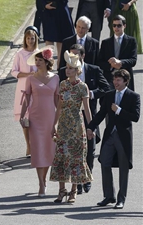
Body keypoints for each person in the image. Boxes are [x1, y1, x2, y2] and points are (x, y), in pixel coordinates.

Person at [59, 44, 110, 194]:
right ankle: (76, 184)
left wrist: (89, 94)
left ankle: (86, 179)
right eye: (71, 55)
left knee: (89, 150)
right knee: (72, 152)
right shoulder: (64, 73)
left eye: (77, 55)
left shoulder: (93, 70)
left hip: (88, 115)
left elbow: (106, 88)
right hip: (69, 118)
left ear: (83, 56)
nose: (74, 59)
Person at [87, 69, 140, 209]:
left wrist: (119, 110)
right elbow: (101, 113)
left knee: (123, 167)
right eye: (114, 80)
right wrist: (90, 127)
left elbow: (135, 117)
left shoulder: (133, 96)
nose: (115, 82)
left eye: (118, 80)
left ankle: (121, 199)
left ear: (125, 81)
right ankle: (109, 195)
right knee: (104, 162)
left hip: (123, 137)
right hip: (110, 135)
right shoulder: (109, 95)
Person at [50, 51, 93, 204]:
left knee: (75, 158)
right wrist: (53, 125)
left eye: (71, 68)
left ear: (77, 71)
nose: (67, 70)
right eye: (67, 68)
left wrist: (91, 127)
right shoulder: (63, 85)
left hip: (76, 127)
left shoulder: (83, 87)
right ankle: (61, 191)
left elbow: (87, 109)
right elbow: (59, 107)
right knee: (61, 157)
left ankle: (73, 191)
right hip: (63, 126)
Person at [20, 47, 59, 197]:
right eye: (36, 60)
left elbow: (57, 100)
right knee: (37, 150)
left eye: (40, 60)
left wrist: (59, 119)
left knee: (49, 149)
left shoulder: (55, 78)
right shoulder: (30, 78)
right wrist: (23, 117)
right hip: (35, 118)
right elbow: (26, 100)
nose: (37, 63)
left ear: (46, 61)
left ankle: (44, 179)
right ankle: (41, 184)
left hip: (50, 118)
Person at [11, 25, 39, 158]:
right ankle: (28, 145)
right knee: (25, 120)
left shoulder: (39, 53)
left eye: (32, 38)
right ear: (25, 39)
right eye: (28, 38)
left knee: (34, 119)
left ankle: (35, 145)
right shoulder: (20, 54)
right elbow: (13, 71)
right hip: (22, 87)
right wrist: (25, 74)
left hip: (36, 89)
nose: (30, 41)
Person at [98, 15, 137, 91]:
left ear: (124, 26)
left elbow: (133, 60)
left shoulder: (131, 41)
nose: (116, 28)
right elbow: (100, 61)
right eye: (114, 25)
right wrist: (111, 65)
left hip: (125, 78)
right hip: (110, 78)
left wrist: (120, 63)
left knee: (125, 101)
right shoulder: (106, 42)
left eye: (119, 25)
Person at [40, 0, 75, 68]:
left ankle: (60, 68)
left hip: (62, 11)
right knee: (49, 40)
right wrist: (44, 5)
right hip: (48, 13)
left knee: (61, 40)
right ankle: (48, 68)